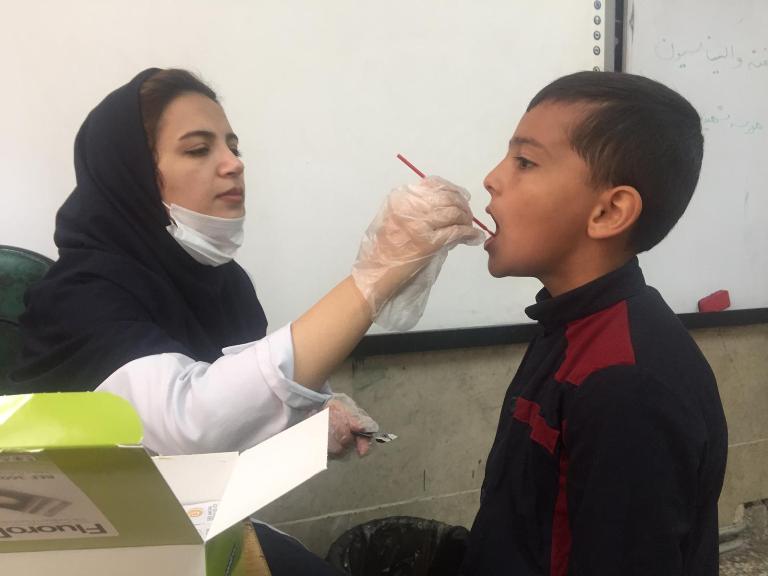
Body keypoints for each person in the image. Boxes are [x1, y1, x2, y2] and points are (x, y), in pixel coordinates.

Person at [11, 67, 483, 460]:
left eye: (232, 147)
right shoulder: (80, 294)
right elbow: (189, 429)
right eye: (199, 149)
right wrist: (376, 275)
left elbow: (233, 413)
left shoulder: (227, 285)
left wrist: (304, 422)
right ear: (129, 174)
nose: (233, 164)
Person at [460, 71, 728, 575]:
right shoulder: (569, 322)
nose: (491, 178)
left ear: (608, 212)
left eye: (525, 162)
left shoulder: (626, 383)